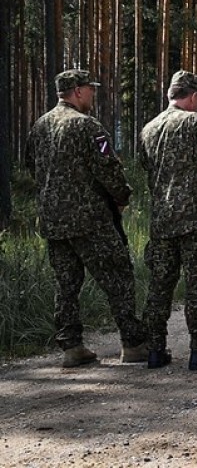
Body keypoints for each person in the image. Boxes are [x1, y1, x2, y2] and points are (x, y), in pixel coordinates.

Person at [25, 69, 146, 367]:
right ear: (77, 91)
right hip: (90, 220)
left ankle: (71, 347)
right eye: (90, 88)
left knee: (66, 284)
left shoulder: (40, 126)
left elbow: (32, 167)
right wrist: (122, 197)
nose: (93, 93)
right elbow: (108, 168)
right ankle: (132, 344)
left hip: (53, 222)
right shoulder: (87, 125)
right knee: (118, 275)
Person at [138, 70, 197, 370]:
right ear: (193, 96)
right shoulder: (196, 123)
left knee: (159, 287)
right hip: (196, 222)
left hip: (162, 222)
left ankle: (155, 349)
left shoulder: (148, 129)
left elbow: (144, 165)